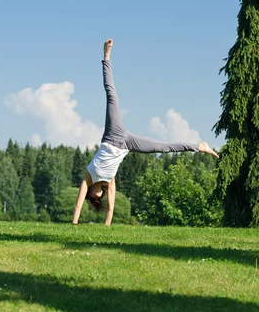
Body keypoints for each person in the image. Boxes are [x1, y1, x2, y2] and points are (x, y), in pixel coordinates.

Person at [72, 39, 219, 226]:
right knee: (162, 148)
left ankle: (106, 57)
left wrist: (74, 223)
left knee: (111, 94)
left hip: (112, 135)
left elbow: (78, 205)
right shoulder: (110, 180)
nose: (96, 196)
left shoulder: (88, 176)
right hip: (126, 144)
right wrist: (105, 227)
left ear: (91, 190)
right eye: (96, 197)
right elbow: (111, 207)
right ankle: (199, 146)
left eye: (93, 196)